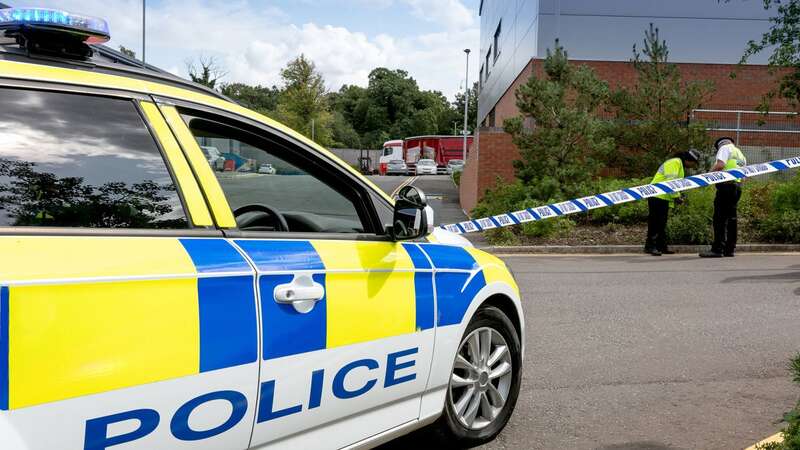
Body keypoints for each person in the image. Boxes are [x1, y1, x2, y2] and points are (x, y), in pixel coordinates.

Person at [644, 149, 701, 256]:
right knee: (655, 224)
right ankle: (650, 247)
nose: (693, 165)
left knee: (661, 224)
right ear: (689, 160)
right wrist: (677, 197)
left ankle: (661, 246)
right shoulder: (675, 162)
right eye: (693, 163)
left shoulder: (678, 164)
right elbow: (671, 182)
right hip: (657, 196)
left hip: (663, 197)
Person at [700, 137, 747, 258]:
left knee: (719, 219)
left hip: (726, 187)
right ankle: (729, 249)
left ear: (719, 145)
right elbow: (744, 176)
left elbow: (720, 165)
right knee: (732, 219)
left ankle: (717, 249)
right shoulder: (741, 154)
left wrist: (707, 176)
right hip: (737, 187)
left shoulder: (725, 148)